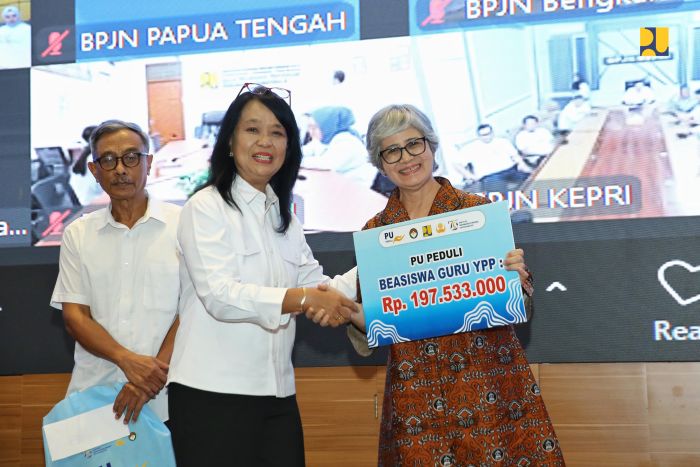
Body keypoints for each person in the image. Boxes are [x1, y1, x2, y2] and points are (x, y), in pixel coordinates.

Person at [332, 104, 564, 465]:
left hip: (489, 384)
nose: (406, 158)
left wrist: (517, 282)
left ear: (431, 145)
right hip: (417, 396)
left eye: (414, 144)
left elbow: (519, 308)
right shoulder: (376, 233)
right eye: (391, 151)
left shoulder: (477, 212)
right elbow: (370, 331)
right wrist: (353, 314)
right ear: (380, 162)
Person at [167, 83, 359, 466]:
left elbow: (318, 288)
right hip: (212, 396)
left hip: (277, 393)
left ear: (289, 146)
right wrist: (303, 298)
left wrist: (378, 264)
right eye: (252, 129)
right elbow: (220, 295)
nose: (265, 141)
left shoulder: (284, 218)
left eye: (277, 132)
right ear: (229, 141)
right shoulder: (205, 207)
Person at [50, 120, 181, 425]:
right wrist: (127, 361)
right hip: (95, 396)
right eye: (108, 160)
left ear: (149, 162)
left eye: (131, 157)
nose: (120, 169)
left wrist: (146, 380)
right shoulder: (78, 234)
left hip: (169, 397)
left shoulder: (184, 225)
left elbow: (192, 311)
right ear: (95, 170)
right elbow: (75, 317)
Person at [302, 105, 377, 188]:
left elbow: (325, 164)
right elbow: (304, 150)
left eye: (314, 127)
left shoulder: (347, 141)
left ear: (327, 126)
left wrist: (295, 161)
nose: (310, 131)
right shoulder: (325, 138)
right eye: (309, 127)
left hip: (355, 188)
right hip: (335, 183)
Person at [453, 123, 529, 192]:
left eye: (488, 133)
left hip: (511, 170)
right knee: (501, 193)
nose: (487, 137)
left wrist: (521, 164)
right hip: (490, 176)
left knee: (531, 181)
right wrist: (469, 176)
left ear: (492, 133)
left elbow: (515, 155)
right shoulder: (471, 148)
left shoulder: (503, 141)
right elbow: (456, 164)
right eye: (483, 135)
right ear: (478, 136)